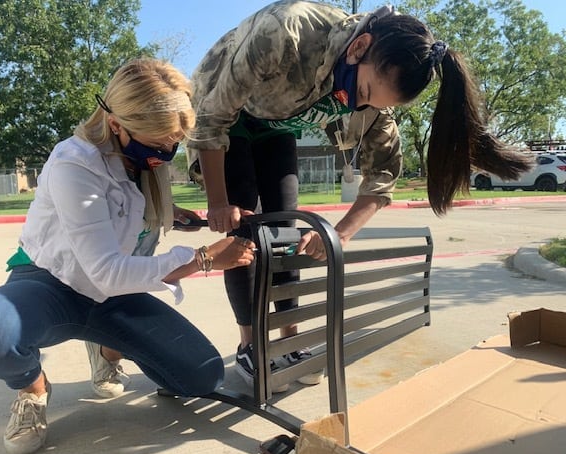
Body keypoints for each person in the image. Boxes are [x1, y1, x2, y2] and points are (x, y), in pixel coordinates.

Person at [187, 0, 529, 390]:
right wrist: (218, 202)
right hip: (228, 119)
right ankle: (251, 344)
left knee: (286, 230)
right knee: (246, 230)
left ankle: (290, 339)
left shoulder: (373, 99)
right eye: (362, 91)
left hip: (277, 124)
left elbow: (383, 175)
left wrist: (340, 234)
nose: (359, 105)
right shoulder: (286, 31)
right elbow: (213, 116)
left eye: (372, 102)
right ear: (359, 47)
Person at [0, 57, 256, 454]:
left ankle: (105, 346)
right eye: (161, 140)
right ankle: (32, 388)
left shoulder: (141, 156)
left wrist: (178, 215)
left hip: (115, 292)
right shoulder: (73, 163)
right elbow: (106, 271)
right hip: (52, 284)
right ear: (116, 124)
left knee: (200, 377)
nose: (169, 150)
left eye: (176, 141)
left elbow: (127, 214)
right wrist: (204, 259)